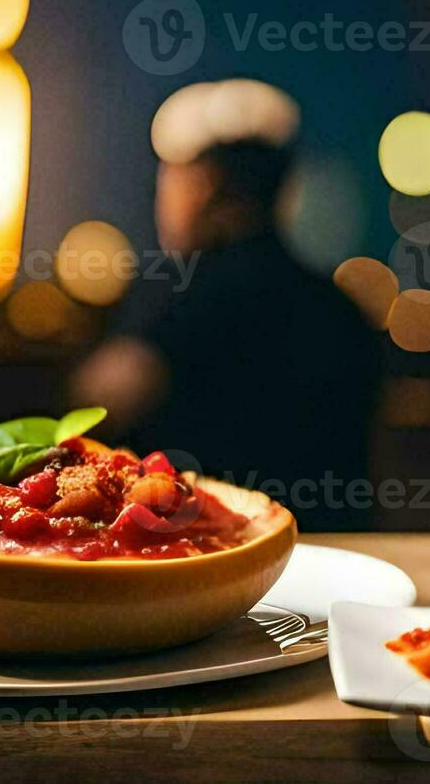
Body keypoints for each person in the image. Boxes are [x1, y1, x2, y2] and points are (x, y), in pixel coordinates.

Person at [72, 125, 380, 531]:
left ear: (203, 185)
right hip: (330, 553)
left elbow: (107, 394)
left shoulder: (177, 291)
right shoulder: (338, 305)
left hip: (198, 556)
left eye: (170, 182)